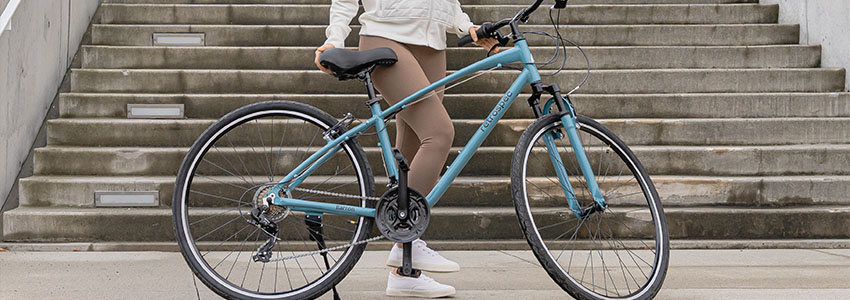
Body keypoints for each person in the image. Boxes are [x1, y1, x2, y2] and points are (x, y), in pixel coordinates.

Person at [314, 0, 500, 298]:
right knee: (439, 134)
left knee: (412, 154)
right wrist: (334, 37)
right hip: (386, 37)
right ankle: (402, 239)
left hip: (432, 45)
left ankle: (405, 273)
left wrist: (467, 27)